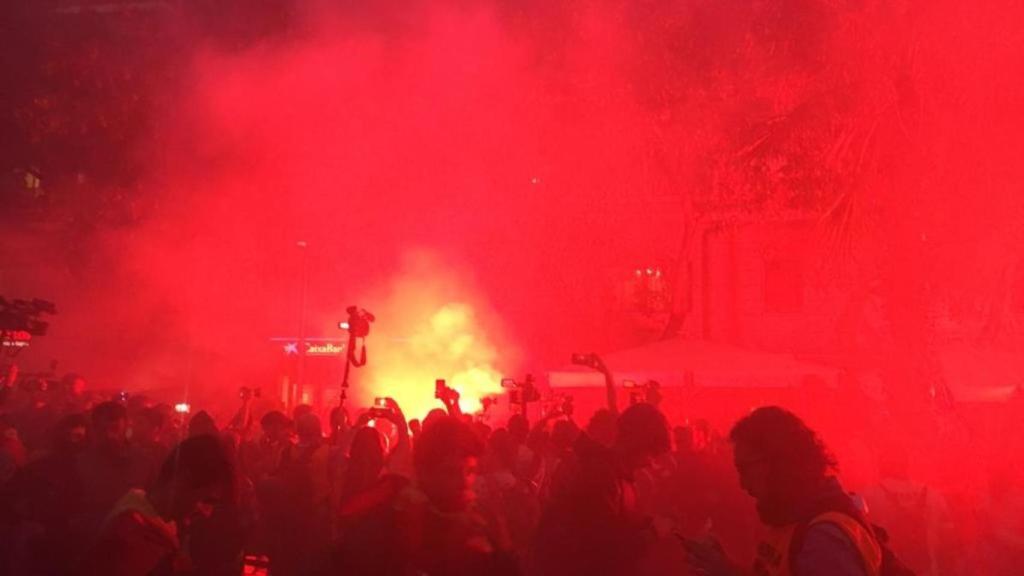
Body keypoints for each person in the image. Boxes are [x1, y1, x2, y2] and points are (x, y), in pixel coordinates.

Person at [684, 406, 883, 576]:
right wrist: (726, 569)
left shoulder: (824, 539)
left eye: (745, 469)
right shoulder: (793, 518)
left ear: (779, 462)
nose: (742, 484)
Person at [530, 402, 671, 576]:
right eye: (651, 452)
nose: (650, 462)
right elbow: (602, 549)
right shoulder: (601, 478)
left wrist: (644, 525)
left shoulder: (615, 475)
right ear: (638, 443)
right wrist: (651, 533)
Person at [79, 434, 235, 576]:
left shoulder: (156, 526)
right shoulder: (130, 538)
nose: (207, 513)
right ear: (182, 480)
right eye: (206, 500)